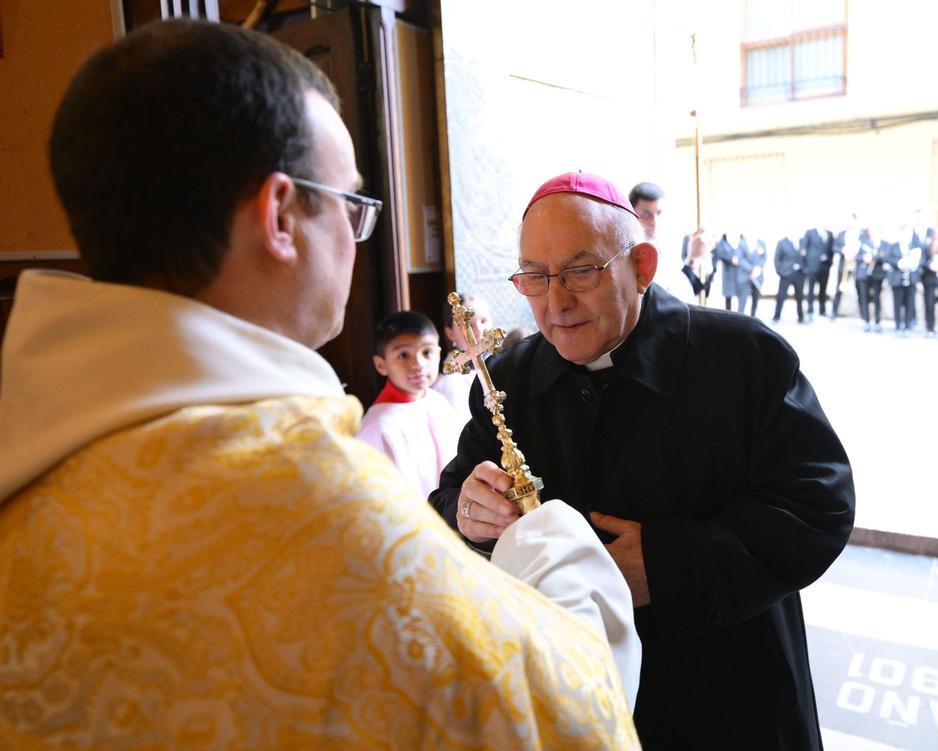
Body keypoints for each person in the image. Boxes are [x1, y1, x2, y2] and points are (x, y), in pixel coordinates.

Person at [0, 22, 639, 747]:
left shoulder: (30, 455)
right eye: (349, 204)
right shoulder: (319, 508)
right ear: (280, 216)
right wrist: (551, 540)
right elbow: (574, 715)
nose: (353, 238)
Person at [430, 172, 855, 750]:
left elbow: (818, 506)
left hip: (730, 693)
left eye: (581, 270)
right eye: (535, 276)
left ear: (643, 266)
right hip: (577, 697)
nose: (556, 302)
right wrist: (469, 512)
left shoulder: (741, 356)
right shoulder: (508, 378)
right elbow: (450, 496)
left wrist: (664, 566)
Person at [356, 311, 460, 498]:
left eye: (427, 352)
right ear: (381, 365)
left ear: (439, 354)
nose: (418, 364)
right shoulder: (377, 428)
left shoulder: (438, 402)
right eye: (403, 355)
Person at [628, 181, 699, 302]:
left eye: (659, 213)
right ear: (632, 213)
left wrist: (693, 260)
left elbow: (681, 290)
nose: (654, 221)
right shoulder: (627, 253)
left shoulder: (670, 244)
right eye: (646, 214)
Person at [432, 292, 491, 427]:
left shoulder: (496, 364)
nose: (479, 331)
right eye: (469, 324)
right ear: (450, 333)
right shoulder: (447, 384)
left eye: (483, 321)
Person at [802, 224, 835, 319]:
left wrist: (829, 262)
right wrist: (805, 266)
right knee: (811, 289)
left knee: (823, 289)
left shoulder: (830, 234)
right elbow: (805, 248)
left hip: (825, 267)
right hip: (812, 266)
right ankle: (810, 309)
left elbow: (831, 250)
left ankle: (822, 309)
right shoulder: (810, 233)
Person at [773, 233, 805, 322]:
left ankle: (801, 317)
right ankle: (777, 316)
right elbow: (776, 258)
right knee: (781, 296)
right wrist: (780, 271)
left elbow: (806, 257)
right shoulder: (782, 243)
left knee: (799, 296)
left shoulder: (802, 241)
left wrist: (804, 269)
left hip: (799, 274)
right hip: (786, 274)